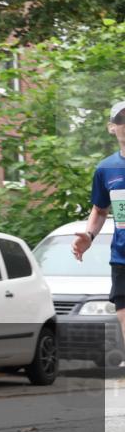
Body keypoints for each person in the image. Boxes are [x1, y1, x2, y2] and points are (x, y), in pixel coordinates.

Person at [72, 99, 125, 347]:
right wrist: (89, 236)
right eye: (121, 119)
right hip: (122, 259)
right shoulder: (106, 169)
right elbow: (100, 210)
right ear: (111, 127)